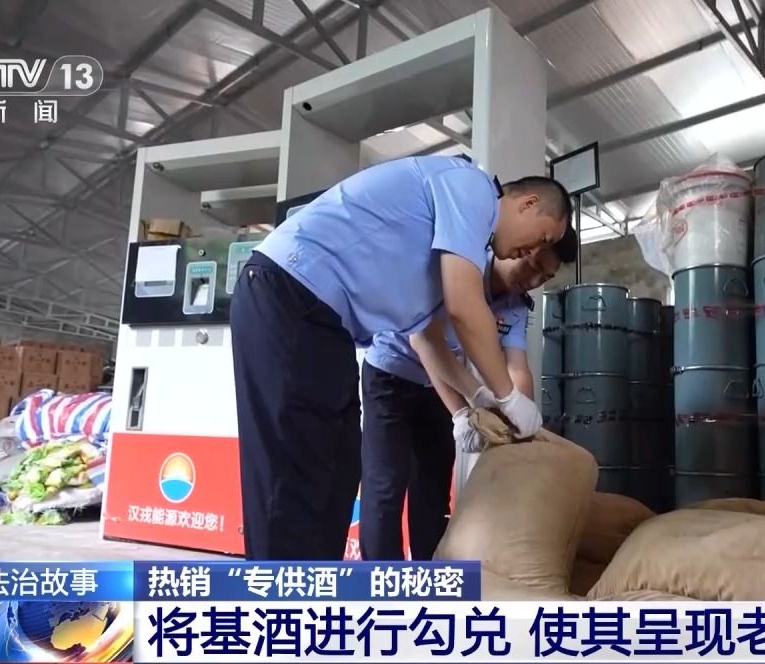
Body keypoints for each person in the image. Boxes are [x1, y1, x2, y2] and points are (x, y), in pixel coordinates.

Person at [231, 155, 572, 561]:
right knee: (298, 472)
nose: (535, 252)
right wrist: (508, 397)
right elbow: (464, 309)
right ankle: (279, 596)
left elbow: (427, 338)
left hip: (324, 323)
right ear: (528, 204)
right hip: (290, 294)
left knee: (338, 467)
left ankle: (317, 588)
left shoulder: (457, 247)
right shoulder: (472, 188)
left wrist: (475, 400)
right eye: (543, 238)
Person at [360, 240, 575, 560]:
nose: (533, 280)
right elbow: (424, 342)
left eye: (544, 277)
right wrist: (462, 411)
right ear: (520, 247)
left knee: (433, 489)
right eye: (532, 266)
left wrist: (525, 427)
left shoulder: (515, 304)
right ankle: (380, 583)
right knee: (386, 486)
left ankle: (429, 578)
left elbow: (516, 368)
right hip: (391, 374)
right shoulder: (461, 266)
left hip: (440, 385)